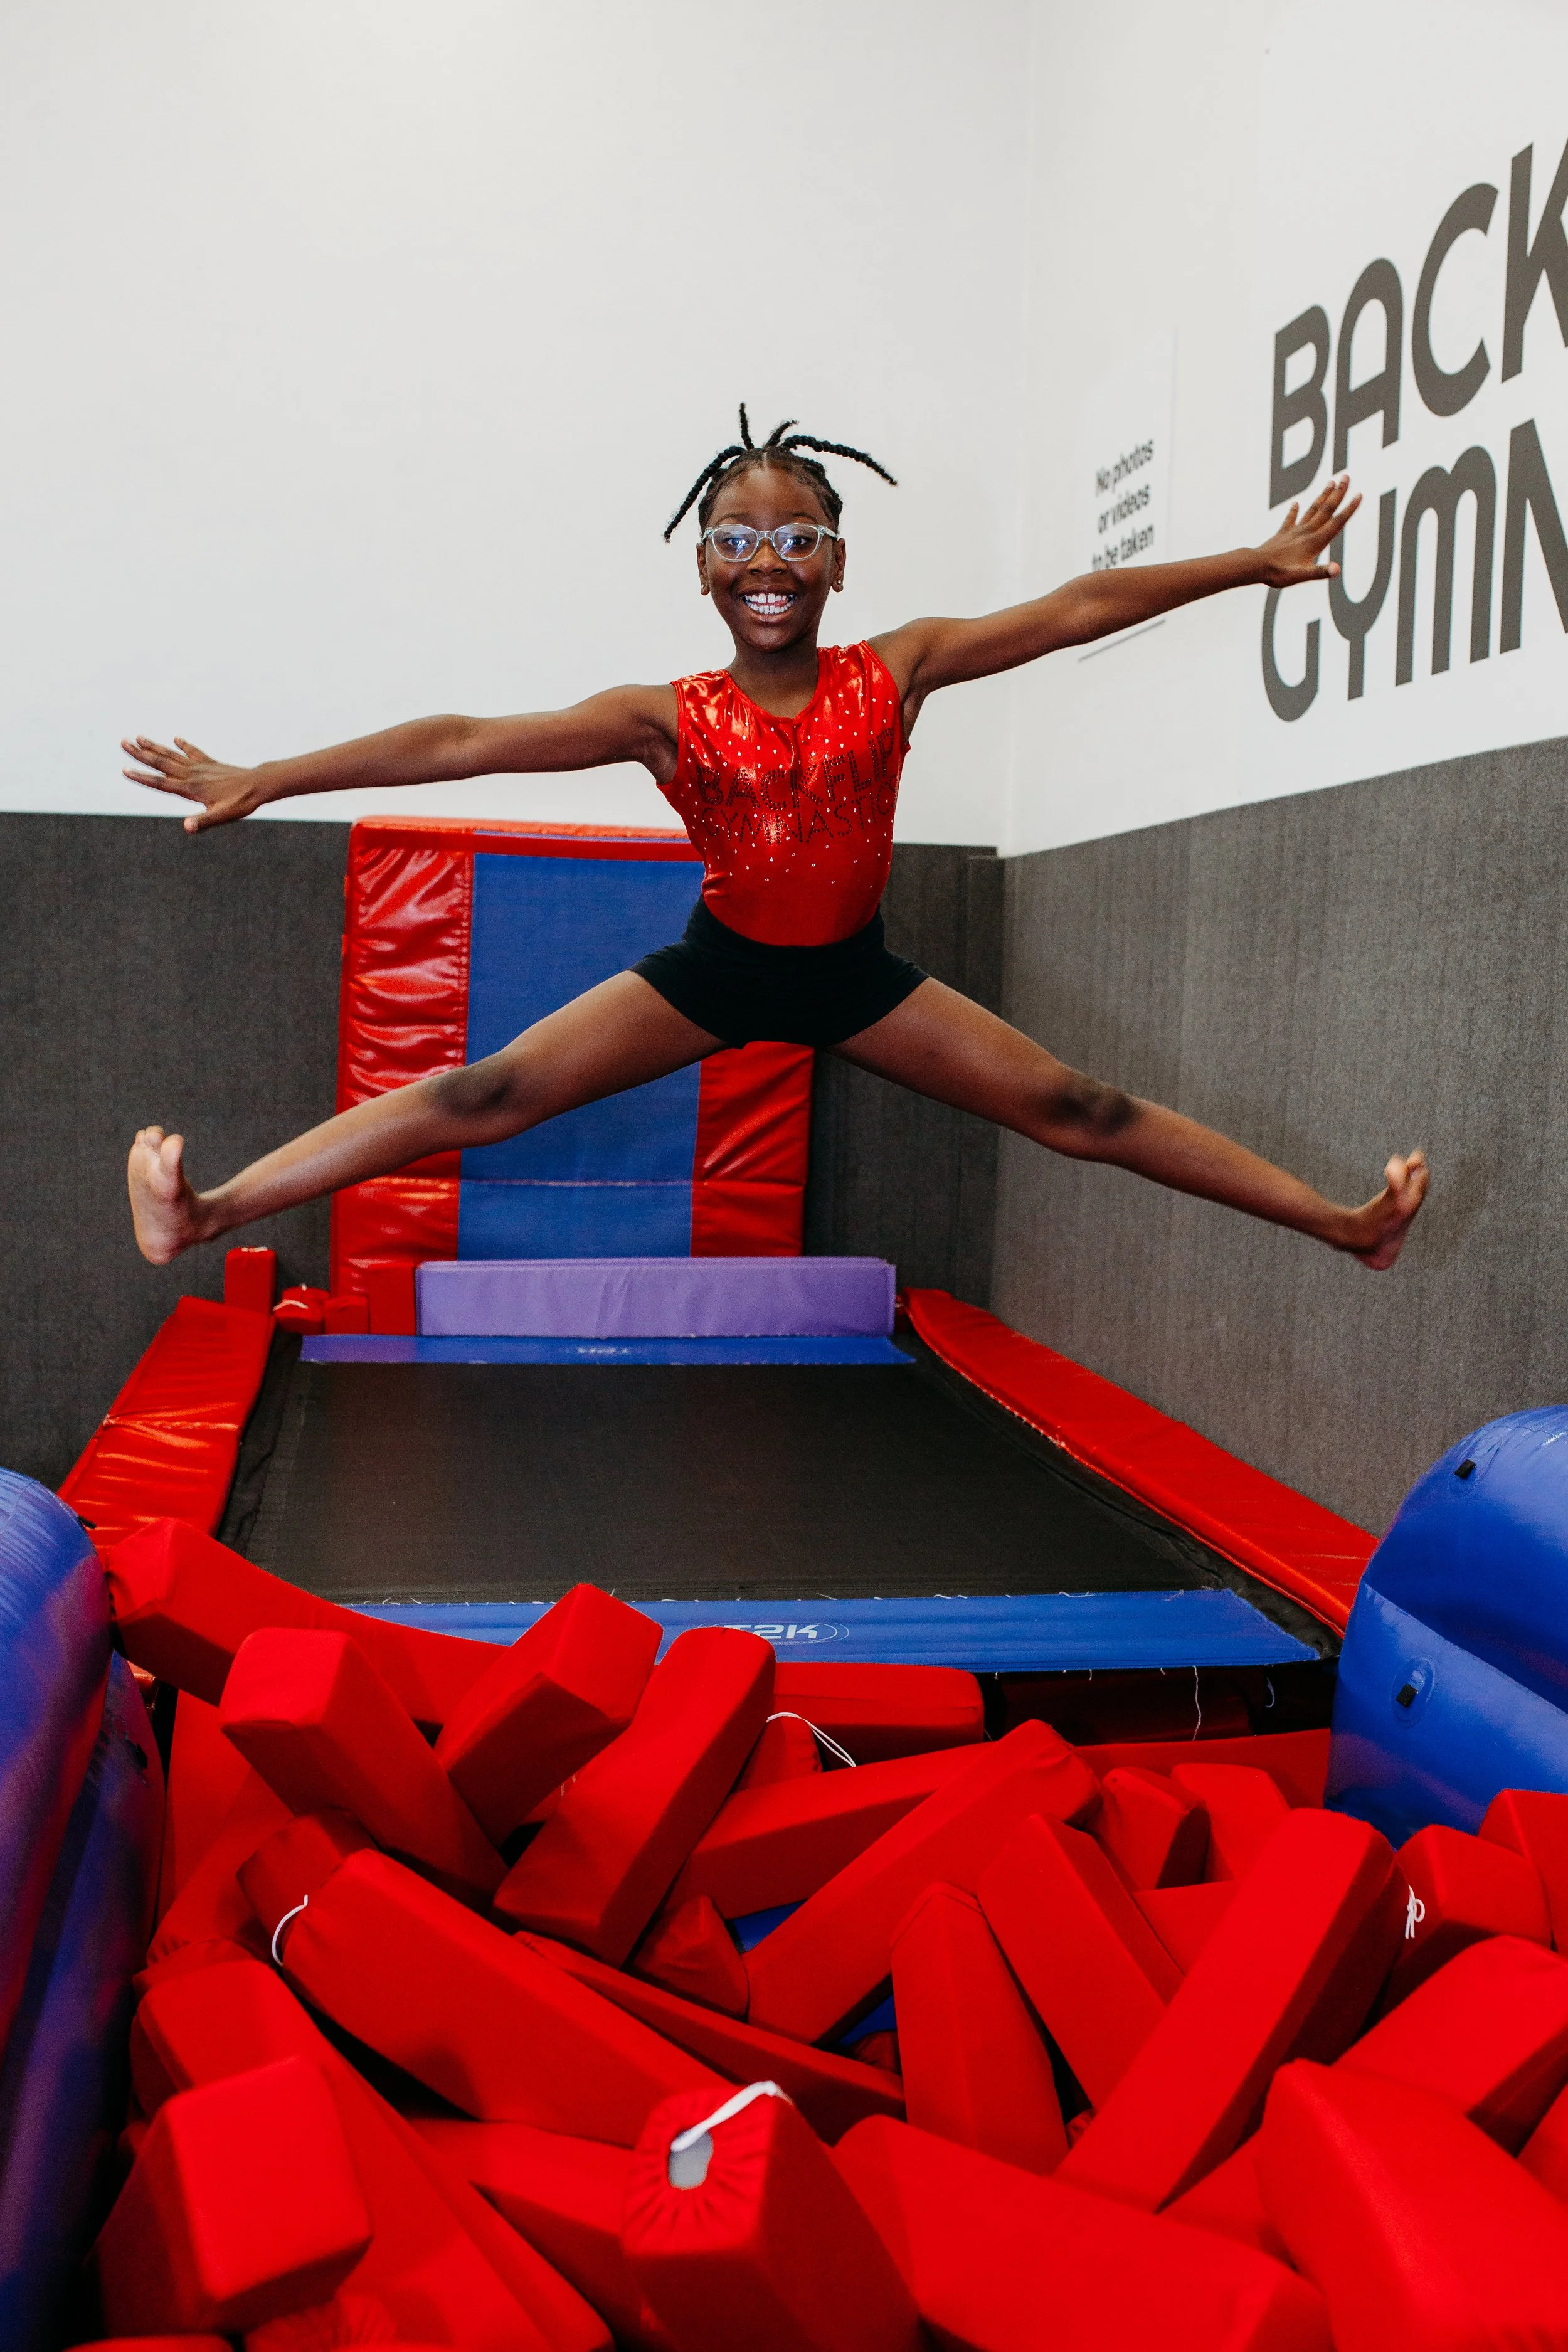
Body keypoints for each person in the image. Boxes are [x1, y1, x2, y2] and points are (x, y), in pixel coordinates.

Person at [124, 407, 1428, 1271]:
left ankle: (1338, 1225)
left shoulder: (896, 668)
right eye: (735, 539)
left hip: (853, 976)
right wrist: (271, 777)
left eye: (795, 536)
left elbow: (1076, 604)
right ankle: (217, 1210)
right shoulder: (665, 720)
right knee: (482, 1095)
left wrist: (1249, 564)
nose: (767, 558)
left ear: (836, 561)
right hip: (721, 970)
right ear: (702, 568)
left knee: (1075, 1105)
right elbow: (463, 741)